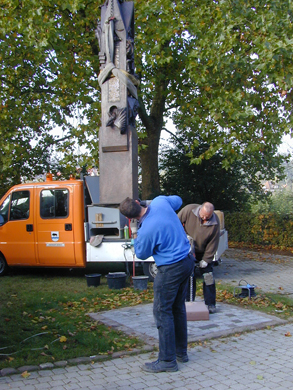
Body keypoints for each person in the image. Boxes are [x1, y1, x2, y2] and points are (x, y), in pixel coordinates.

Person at [119, 195, 195, 373]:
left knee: (162, 311)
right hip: (187, 261)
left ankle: (167, 361)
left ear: (130, 219)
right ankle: (180, 353)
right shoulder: (160, 202)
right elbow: (178, 200)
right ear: (139, 202)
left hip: (170, 269)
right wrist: (149, 203)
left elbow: (142, 254)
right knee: (177, 308)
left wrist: (136, 232)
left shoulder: (146, 231)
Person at [177, 202, 220, 314]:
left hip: (204, 250)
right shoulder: (188, 210)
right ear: (200, 209)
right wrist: (182, 236)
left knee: (208, 277)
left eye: (208, 217)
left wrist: (206, 259)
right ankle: (187, 302)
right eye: (203, 216)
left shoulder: (215, 222)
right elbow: (175, 223)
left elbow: (213, 243)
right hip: (188, 249)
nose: (205, 218)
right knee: (188, 276)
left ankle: (210, 304)